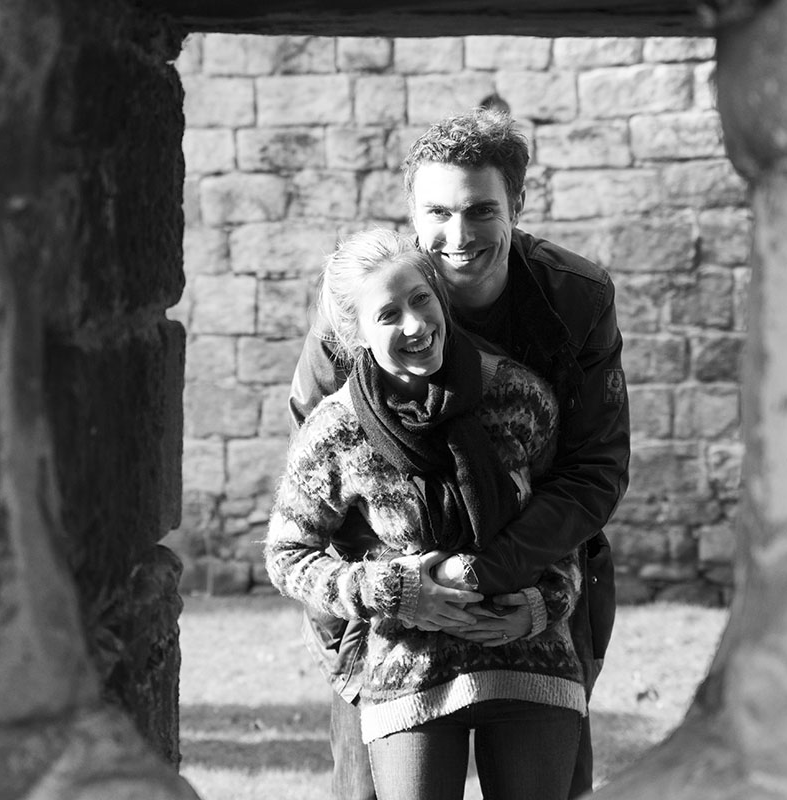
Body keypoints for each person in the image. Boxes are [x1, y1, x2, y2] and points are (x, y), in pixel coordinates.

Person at [289, 108, 631, 799]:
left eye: (481, 211)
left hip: (535, 589)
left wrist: (496, 580)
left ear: (518, 205)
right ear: (412, 209)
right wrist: (398, 591)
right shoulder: (360, 308)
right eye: (437, 211)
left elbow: (594, 470)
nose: (457, 235)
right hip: (389, 620)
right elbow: (317, 474)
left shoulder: (574, 300)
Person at [267, 228, 586, 800]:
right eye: (388, 313)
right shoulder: (336, 431)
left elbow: (563, 529)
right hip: (406, 670)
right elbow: (288, 557)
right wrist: (392, 589)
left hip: (530, 658)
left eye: (421, 299)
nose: (415, 324)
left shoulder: (520, 397)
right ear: (355, 334)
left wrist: (542, 605)